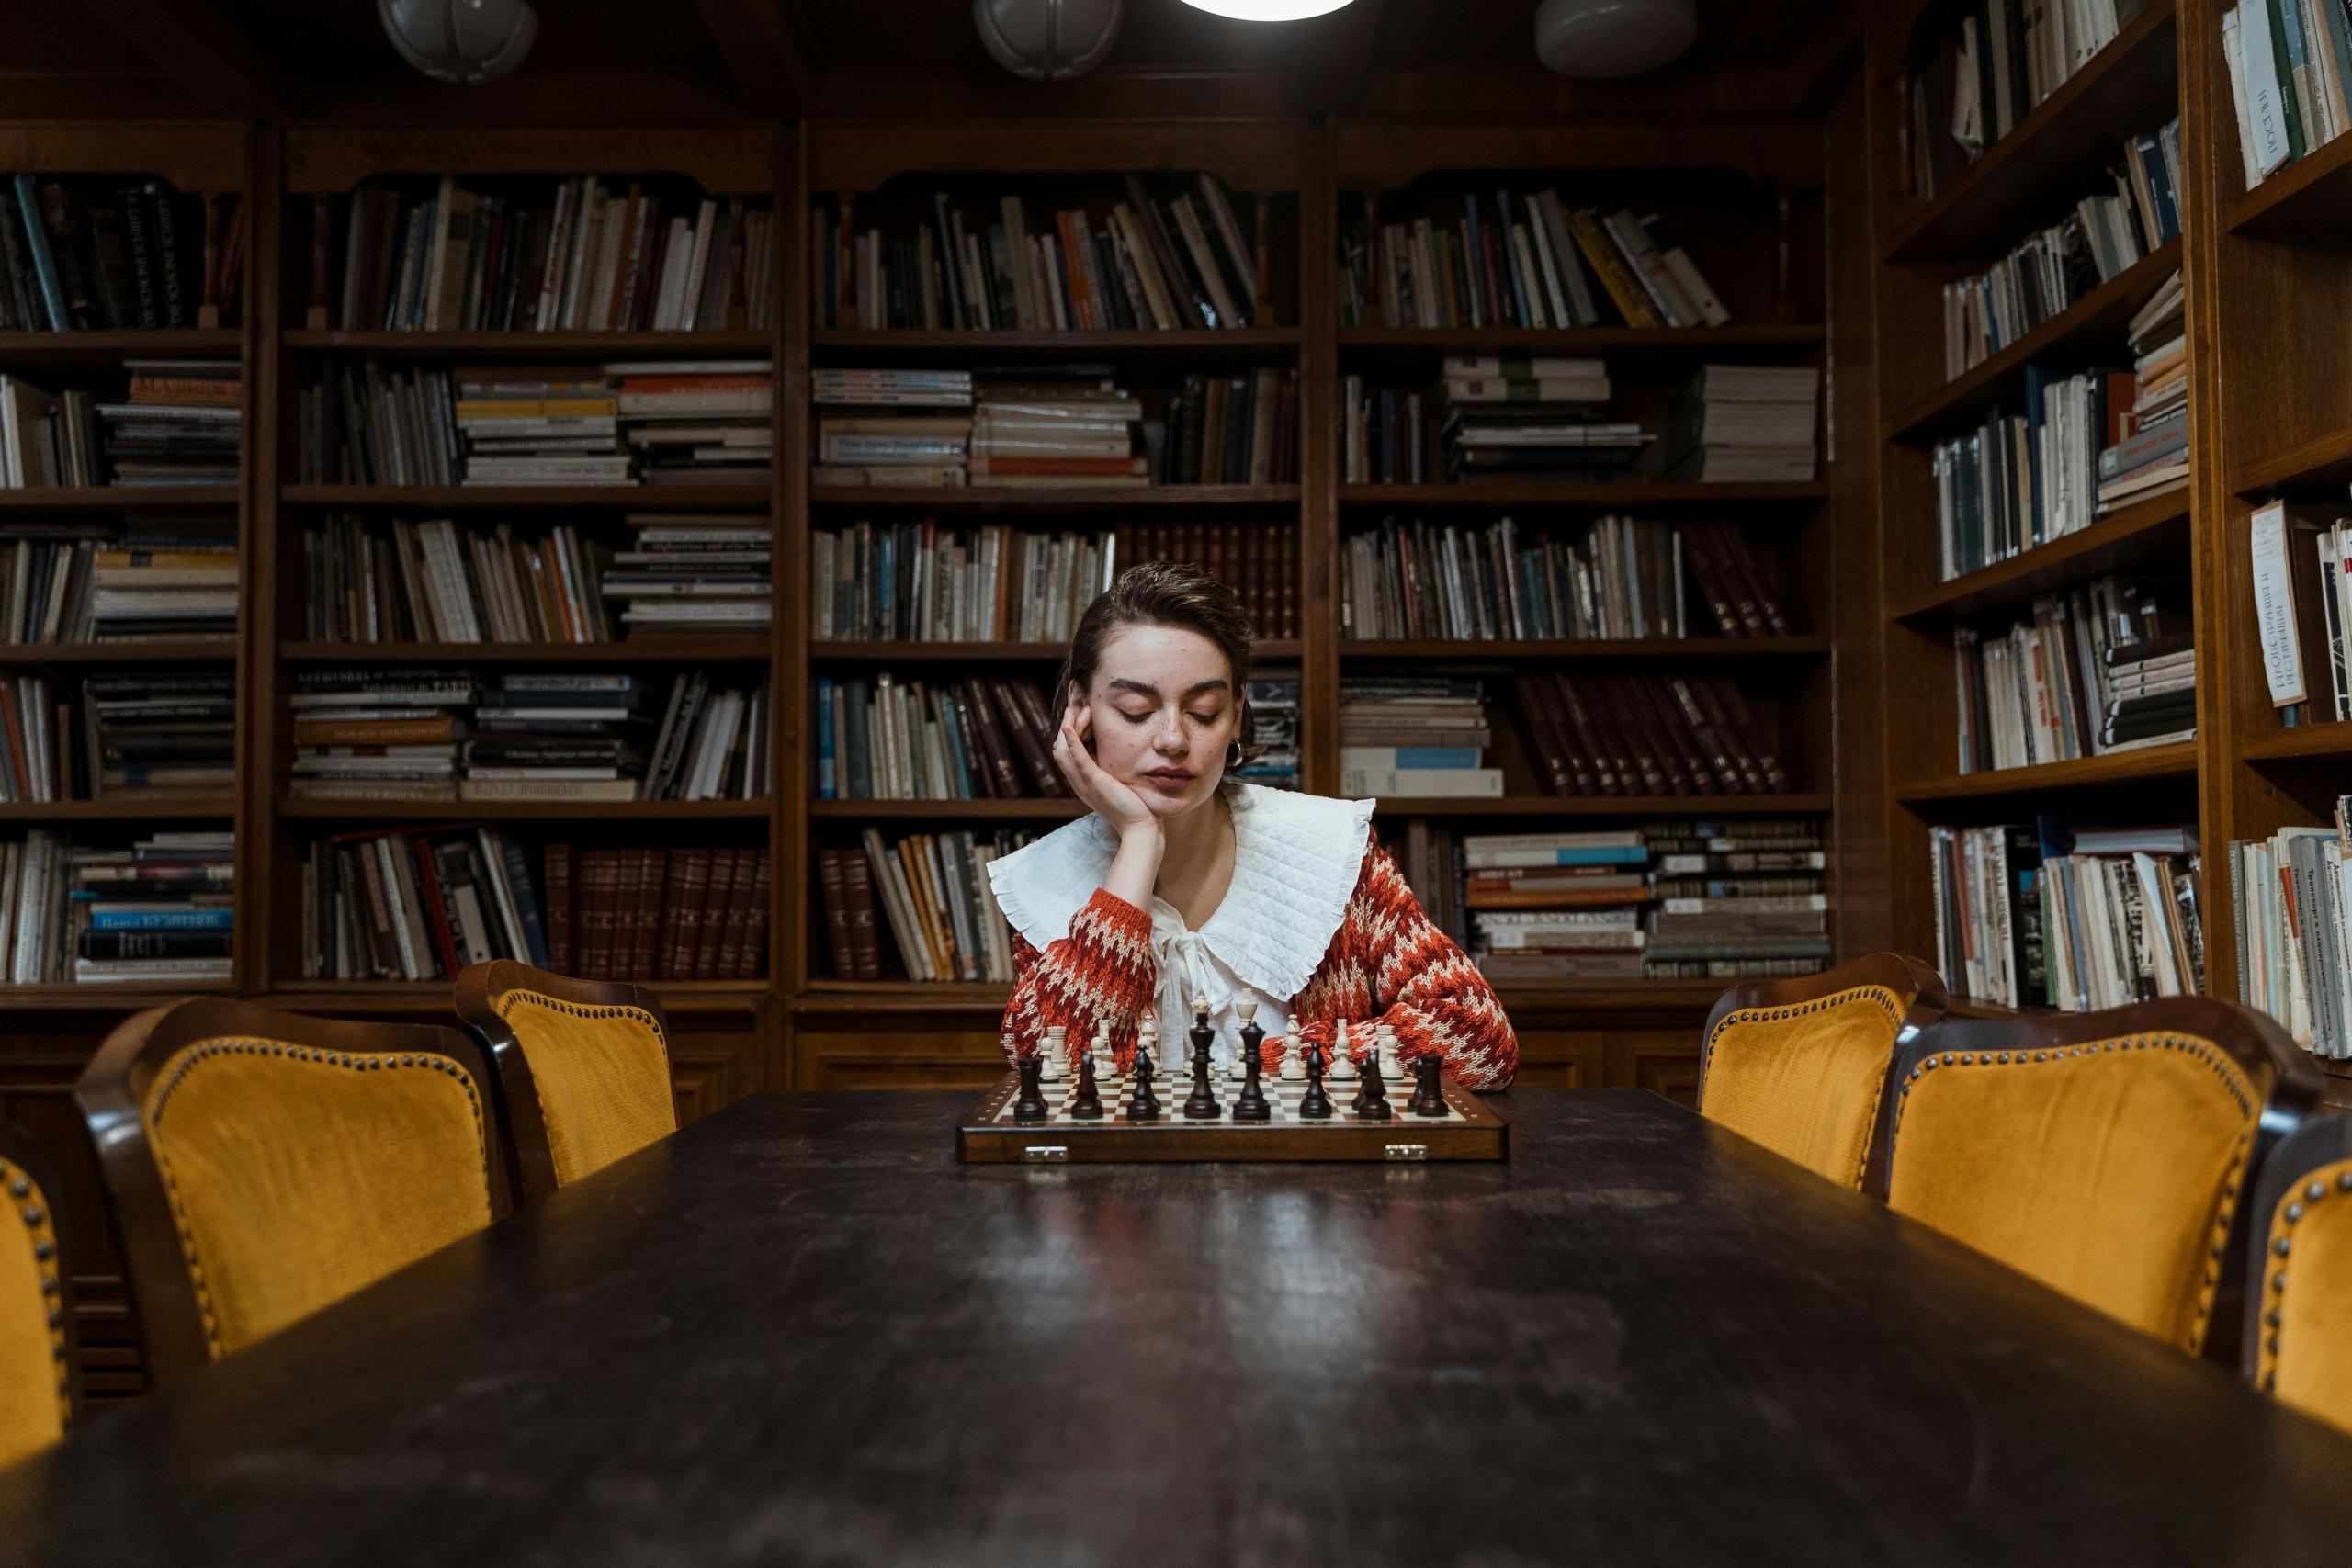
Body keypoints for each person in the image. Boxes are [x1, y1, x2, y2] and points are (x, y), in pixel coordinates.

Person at [986, 561, 1517, 1089]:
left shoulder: (1326, 850)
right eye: (1135, 709)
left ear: (1237, 712)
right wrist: (1139, 840)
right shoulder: (1046, 878)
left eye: (1205, 710)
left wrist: (1256, 1070)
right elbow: (1057, 1077)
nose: (1172, 738)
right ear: (1081, 708)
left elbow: (1479, 1039)